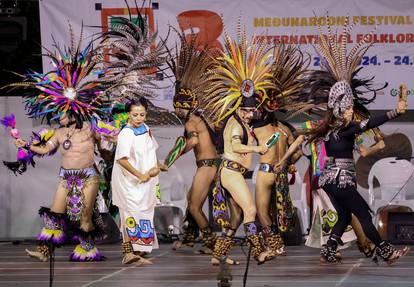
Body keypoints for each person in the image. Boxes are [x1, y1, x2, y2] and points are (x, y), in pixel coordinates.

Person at [276, 16, 409, 265]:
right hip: (342, 180)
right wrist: (395, 112)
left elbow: (302, 134)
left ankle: (329, 249)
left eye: (350, 108)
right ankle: (386, 251)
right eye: (347, 108)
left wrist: (286, 157)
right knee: (365, 216)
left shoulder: (327, 127)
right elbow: (369, 123)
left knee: (344, 216)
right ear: (339, 108)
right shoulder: (345, 128)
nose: (350, 111)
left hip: (327, 181)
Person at [6, 26, 111, 262]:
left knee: (85, 216)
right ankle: (45, 252)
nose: (58, 117)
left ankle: (86, 250)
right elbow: (45, 149)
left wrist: (109, 144)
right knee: (54, 214)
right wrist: (26, 146)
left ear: (73, 111)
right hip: (66, 176)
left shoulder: (90, 127)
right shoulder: (58, 132)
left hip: (89, 176)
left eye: (61, 113)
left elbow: (106, 143)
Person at [200, 27, 276, 265]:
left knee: (236, 219)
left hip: (235, 173)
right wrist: (255, 149)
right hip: (231, 172)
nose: (251, 113)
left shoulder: (245, 124)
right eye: (247, 110)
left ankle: (217, 256)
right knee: (251, 210)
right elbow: (236, 147)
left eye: (252, 110)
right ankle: (259, 252)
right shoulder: (235, 124)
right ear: (240, 109)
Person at [165, 30, 220, 253]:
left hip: (207, 166)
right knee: (191, 200)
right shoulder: (198, 119)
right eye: (177, 105)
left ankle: (212, 243)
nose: (178, 110)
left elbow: (191, 143)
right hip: (211, 165)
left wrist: (170, 158)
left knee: (195, 207)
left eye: (181, 106)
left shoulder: (191, 123)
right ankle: (189, 237)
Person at [111, 98, 167, 264]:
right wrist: (139, 175)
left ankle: (139, 249)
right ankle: (128, 252)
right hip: (128, 182)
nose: (138, 118)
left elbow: (151, 151)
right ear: (128, 114)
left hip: (147, 181)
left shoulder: (146, 128)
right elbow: (122, 160)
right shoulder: (126, 133)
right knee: (129, 213)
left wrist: (158, 165)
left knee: (144, 213)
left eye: (142, 114)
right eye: (135, 115)